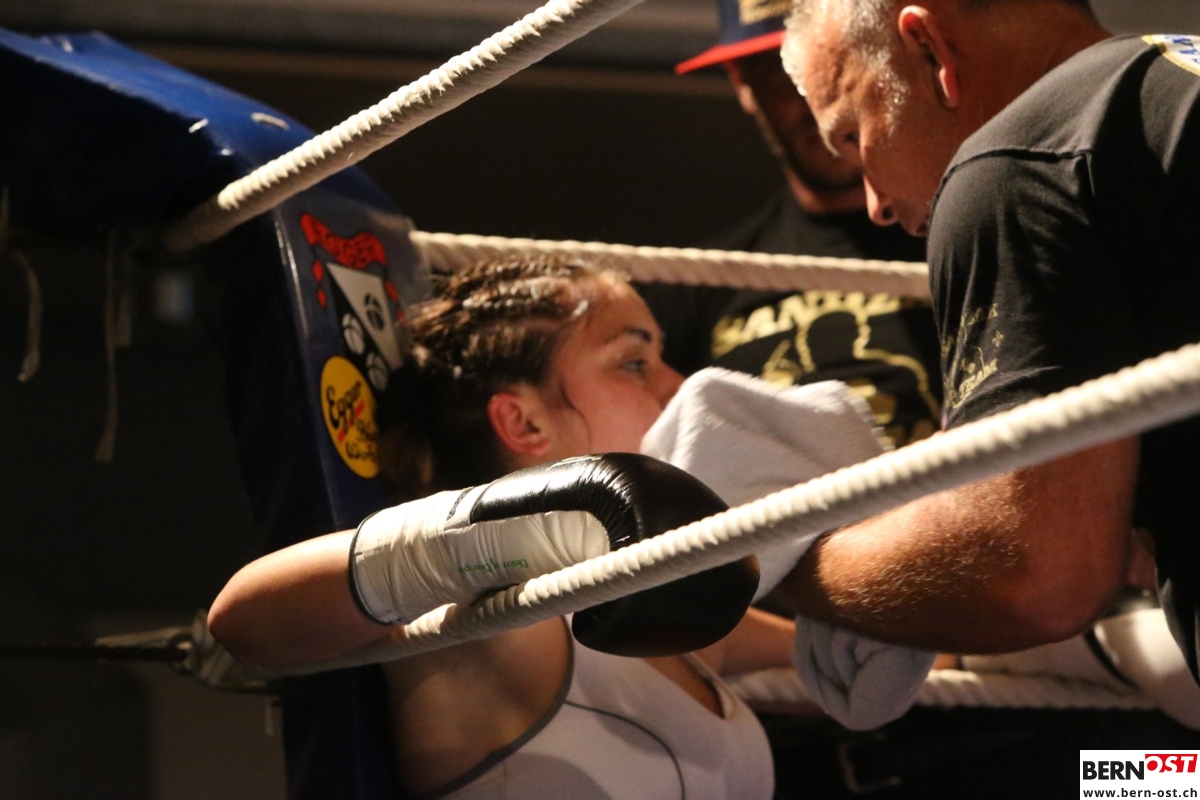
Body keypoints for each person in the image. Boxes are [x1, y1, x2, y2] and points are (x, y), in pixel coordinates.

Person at [207, 256, 799, 800]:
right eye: (633, 362)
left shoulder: (659, 601)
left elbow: (822, 656)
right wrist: (500, 537)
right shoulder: (486, 620)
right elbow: (243, 622)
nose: (676, 385)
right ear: (523, 422)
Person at [772, 0, 1200, 690]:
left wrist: (774, 561)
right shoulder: (1165, 88)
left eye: (853, 133)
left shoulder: (1013, 160)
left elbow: (1037, 573)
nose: (876, 203)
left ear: (929, 50)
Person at [643, 0, 938, 450]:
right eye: (780, 67)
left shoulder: (971, 234)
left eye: (831, 55)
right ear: (741, 83)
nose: (811, 91)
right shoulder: (700, 283)